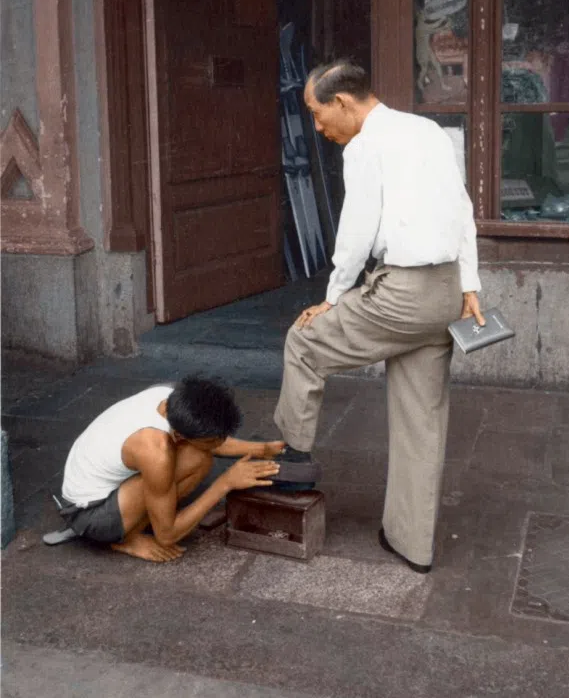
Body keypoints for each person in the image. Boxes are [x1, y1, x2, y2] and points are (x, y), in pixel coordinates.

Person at [274, 60, 484, 573]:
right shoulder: (429, 130)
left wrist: (333, 296)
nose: (319, 128)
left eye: (319, 114)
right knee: (421, 419)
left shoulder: (365, 145)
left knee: (303, 343)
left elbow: (356, 232)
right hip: (446, 294)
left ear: (344, 102)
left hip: (404, 293)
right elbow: (463, 210)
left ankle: (293, 462)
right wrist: (471, 285)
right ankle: (413, 544)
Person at [59, 375, 283, 562]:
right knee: (193, 463)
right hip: (89, 516)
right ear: (181, 435)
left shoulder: (169, 397)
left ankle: (157, 513)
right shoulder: (155, 450)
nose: (220, 443)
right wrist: (225, 483)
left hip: (109, 487)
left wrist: (261, 449)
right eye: (215, 440)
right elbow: (167, 537)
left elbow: (207, 441)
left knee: (199, 456)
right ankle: (124, 539)